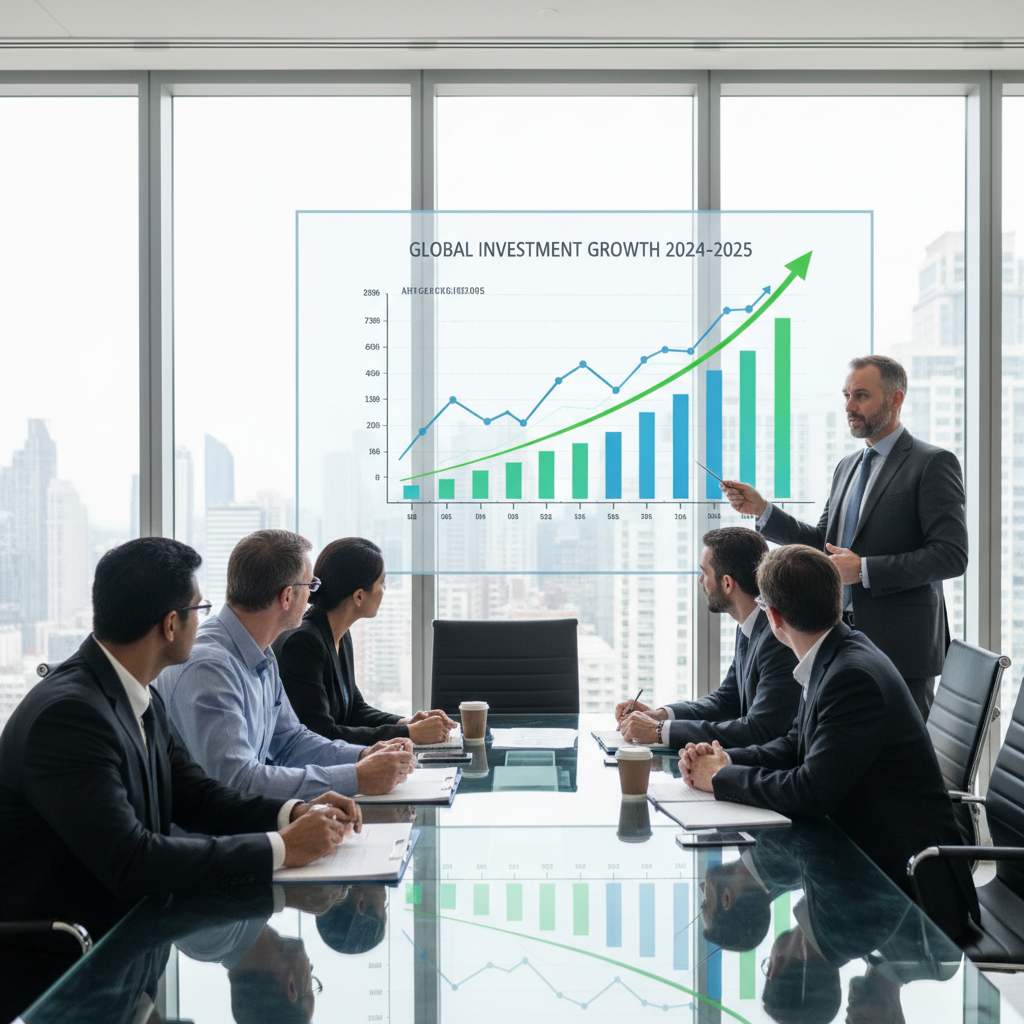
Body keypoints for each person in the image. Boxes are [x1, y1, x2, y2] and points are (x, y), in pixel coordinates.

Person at [0, 538, 360, 1022]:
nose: (205, 620)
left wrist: (292, 813)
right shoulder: (70, 715)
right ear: (171, 624)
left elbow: (196, 796)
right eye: (199, 608)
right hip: (63, 973)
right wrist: (281, 848)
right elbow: (132, 859)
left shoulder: (137, 695)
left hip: (129, 957)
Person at [680, 544, 979, 941]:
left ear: (773, 616)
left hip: (909, 887)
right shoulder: (835, 652)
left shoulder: (851, 676)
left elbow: (811, 791)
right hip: (870, 853)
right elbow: (795, 743)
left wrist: (721, 778)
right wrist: (725, 760)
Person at [720, 354, 967, 721]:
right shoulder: (847, 467)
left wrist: (863, 569)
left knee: (896, 750)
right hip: (838, 636)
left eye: (861, 396)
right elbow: (822, 542)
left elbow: (951, 555)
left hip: (901, 648)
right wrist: (763, 511)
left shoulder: (932, 463)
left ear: (896, 399)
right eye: (847, 395)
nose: (850, 406)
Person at [155, 529, 418, 801]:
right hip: (210, 825)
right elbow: (238, 781)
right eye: (310, 586)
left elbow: (291, 741)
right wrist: (357, 777)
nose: (314, 595)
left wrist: (363, 755)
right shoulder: (210, 668)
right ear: (288, 596)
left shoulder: (261, 653)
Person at [615, 527, 799, 749]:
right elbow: (727, 700)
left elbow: (759, 730)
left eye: (705, 572)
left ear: (727, 583)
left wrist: (659, 731)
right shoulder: (750, 625)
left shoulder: (776, 637)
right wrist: (660, 715)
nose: (701, 580)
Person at [274, 537, 456, 745]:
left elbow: (355, 709)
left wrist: (405, 723)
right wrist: (409, 733)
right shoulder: (302, 644)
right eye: (382, 582)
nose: (384, 589)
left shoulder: (339, 633)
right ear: (359, 596)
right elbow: (321, 734)